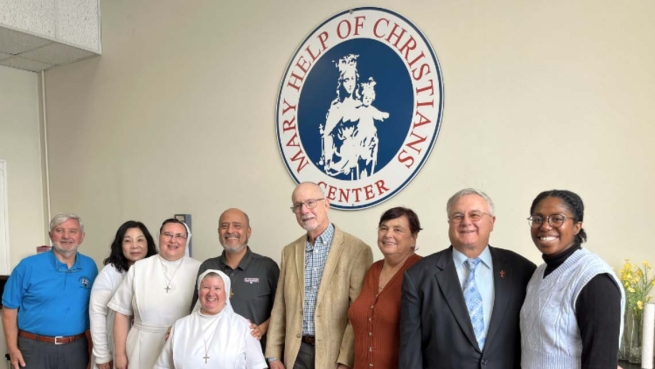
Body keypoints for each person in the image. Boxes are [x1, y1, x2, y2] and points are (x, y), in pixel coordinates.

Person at [399, 188, 536, 369]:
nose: (466, 222)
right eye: (457, 216)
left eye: (475, 215)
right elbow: (410, 350)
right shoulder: (419, 275)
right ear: (449, 222)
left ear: (492, 222)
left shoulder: (521, 270)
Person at [265, 182, 373, 369]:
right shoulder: (289, 251)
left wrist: (345, 361)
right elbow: (280, 307)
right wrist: (273, 356)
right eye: (297, 206)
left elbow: (358, 314)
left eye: (310, 202)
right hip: (295, 354)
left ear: (326, 204)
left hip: (333, 355)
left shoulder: (357, 250)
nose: (304, 210)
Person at [520, 190, 625, 369]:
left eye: (557, 218)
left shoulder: (594, 280)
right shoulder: (539, 273)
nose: (545, 226)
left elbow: (600, 362)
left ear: (577, 226)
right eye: (538, 219)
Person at [1, 213, 98, 369]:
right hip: (33, 348)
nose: (66, 236)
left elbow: (93, 310)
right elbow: (8, 309)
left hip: (75, 348)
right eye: (59, 230)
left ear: (82, 237)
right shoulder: (28, 266)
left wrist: (94, 349)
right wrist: (13, 349)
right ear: (50, 235)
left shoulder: (90, 266)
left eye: (73, 231)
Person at [108, 218, 201, 369]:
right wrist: (119, 354)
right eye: (168, 234)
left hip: (181, 344)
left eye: (179, 236)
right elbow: (121, 313)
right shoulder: (139, 268)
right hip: (141, 345)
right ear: (159, 236)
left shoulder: (199, 269)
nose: (173, 240)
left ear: (186, 240)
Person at [190, 208, 280, 349]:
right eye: (224, 226)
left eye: (237, 226)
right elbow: (196, 311)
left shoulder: (267, 267)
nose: (230, 230)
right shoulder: (208, 266)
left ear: (248, 231)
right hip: (214, 353)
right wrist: (178, 330)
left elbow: (282, 310)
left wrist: (262, 328)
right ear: (219, 232)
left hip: (255, 351)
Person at [347, 207, 422, 369]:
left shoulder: (423, 271)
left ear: (413, 238)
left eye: (398, 229)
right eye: (383, 228)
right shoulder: (373, 270)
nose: (388, 234)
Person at [154, 269, 267, 368]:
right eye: (206, 287)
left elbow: (258, 366)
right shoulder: (180, 326)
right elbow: (163, 366)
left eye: (217, 288)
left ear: (226, 293)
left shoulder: (243, 326)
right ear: (199, 292)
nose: (211, 293)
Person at [89, 220, 158, 369]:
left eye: (140, 240)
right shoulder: (110, 273)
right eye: (128, 241)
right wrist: (102, 355)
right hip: (113, 347)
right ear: (120, 245)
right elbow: (97, 313)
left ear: (148, 244)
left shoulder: (155, 271)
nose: (135, 245)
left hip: (146, 346)